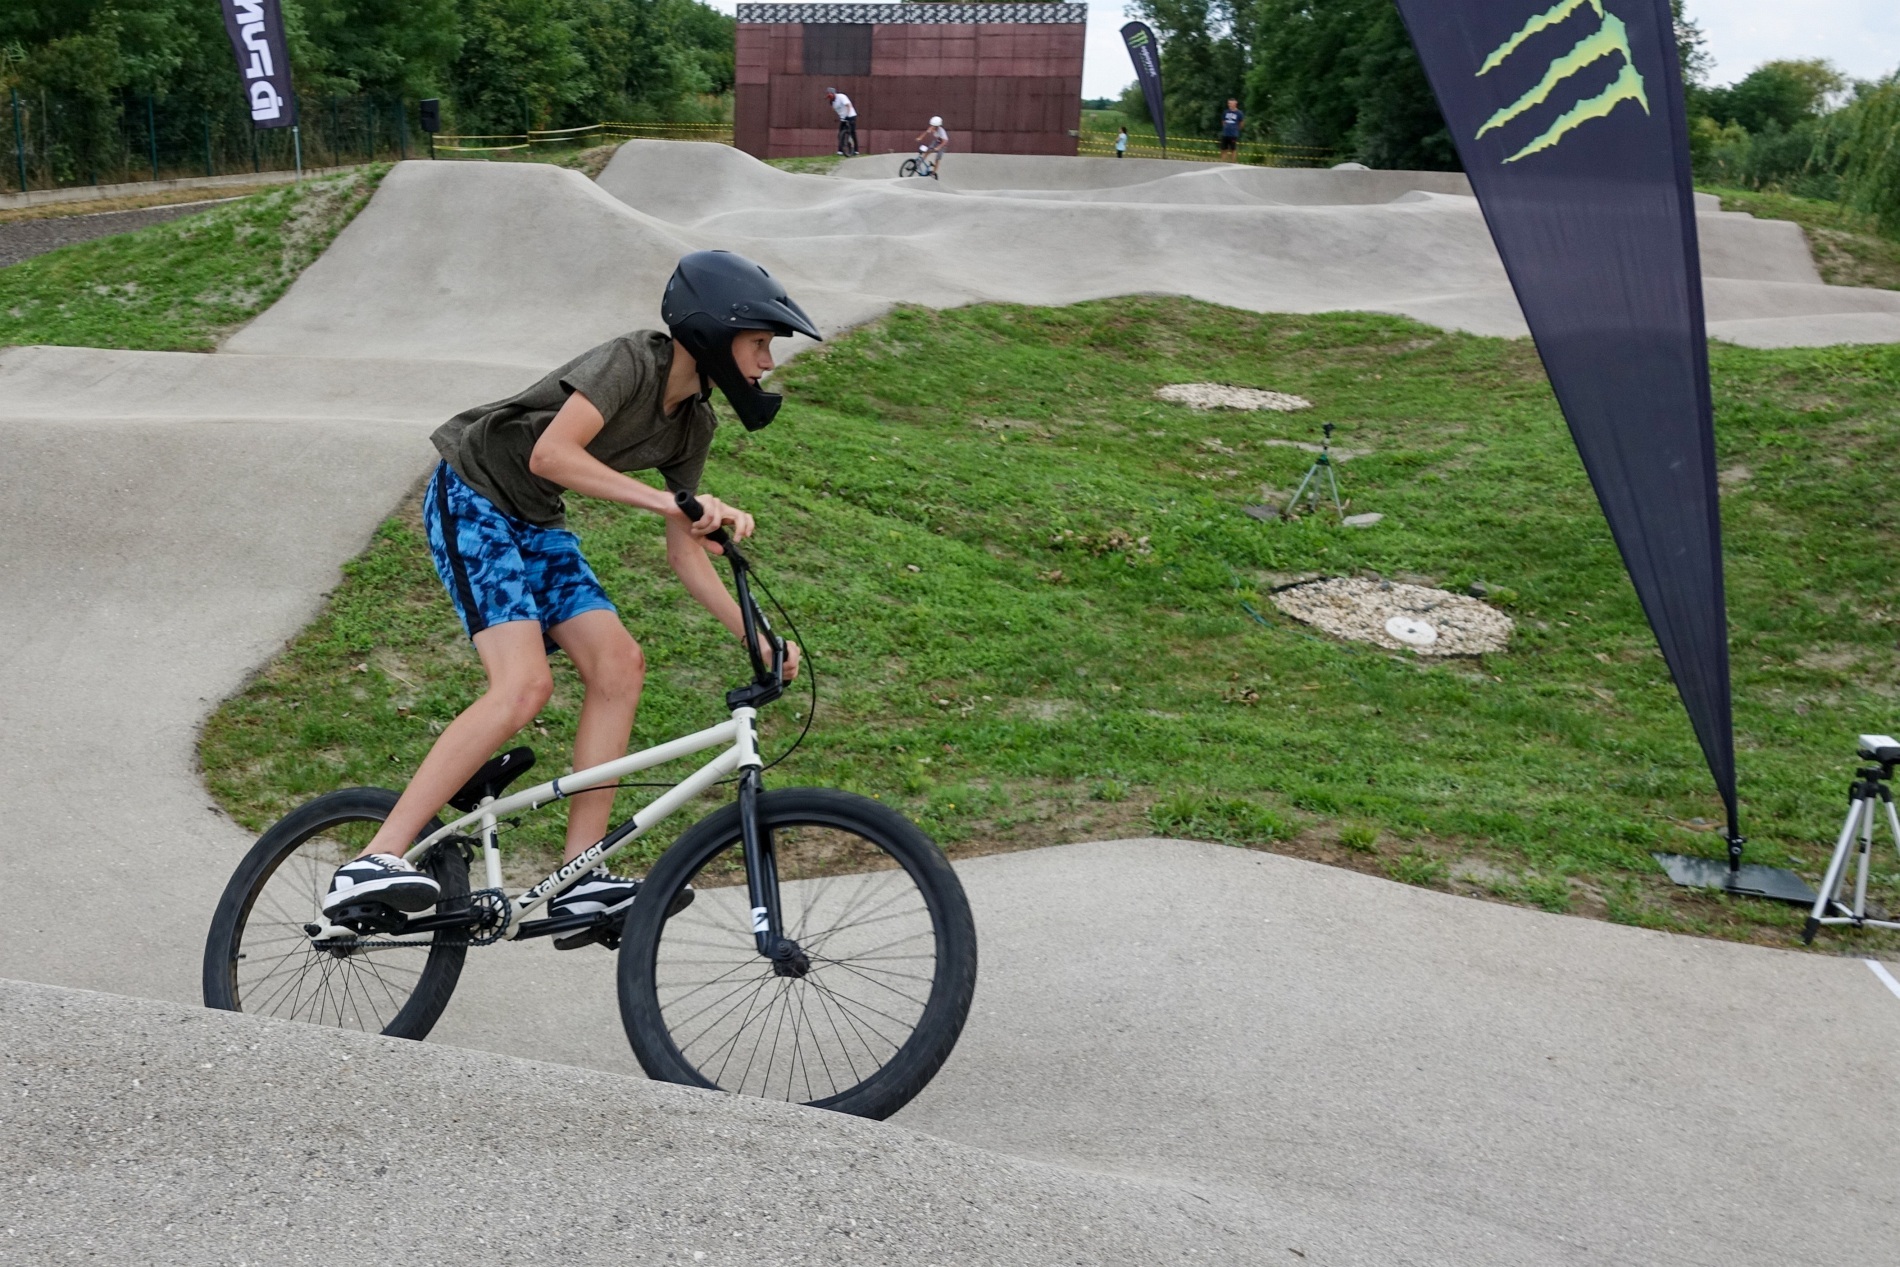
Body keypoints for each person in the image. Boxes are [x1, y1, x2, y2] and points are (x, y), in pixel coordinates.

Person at [320, 250, 815, 923]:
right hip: (473, 493)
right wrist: (667, 501)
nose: (767, 362)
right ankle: (373, 859)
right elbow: (549, 453)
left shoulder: (694, 424)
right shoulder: (632, 361)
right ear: (712, 331)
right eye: (758, 343)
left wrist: (756, 638)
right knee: (525, 685)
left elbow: (684, 551)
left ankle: (578, 872)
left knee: (620, 664)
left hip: (537, 519)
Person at [827, 87, 858, 156]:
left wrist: (848, 115)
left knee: (852, 132)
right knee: (840, 134)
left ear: (834, 94)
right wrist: (841, 118)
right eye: (829, 97)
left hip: (851, 115)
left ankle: (856, 150)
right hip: (843, 118)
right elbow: (839, 111)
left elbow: (849, 105)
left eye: (831, 96)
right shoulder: (832, 102)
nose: (830, 98)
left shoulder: (841, 97)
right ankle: (840, 151)